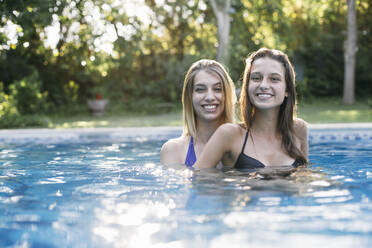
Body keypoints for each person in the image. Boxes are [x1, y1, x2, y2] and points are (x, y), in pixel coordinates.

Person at [194, 48, 308, 169]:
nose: (263, 85)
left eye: (274, 79)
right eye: (256, 78)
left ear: (287, 90)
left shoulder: (298, 130)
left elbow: (304, 178)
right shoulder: (229, 135)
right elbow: (197, 179)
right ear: (247, 85)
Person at [160, 59, 237, 167]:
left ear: (227, 95)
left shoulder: (242, 146)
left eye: (218, 89)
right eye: (200, 89)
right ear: (189, 96)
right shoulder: (173, 150)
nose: (210, 97)